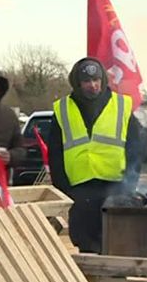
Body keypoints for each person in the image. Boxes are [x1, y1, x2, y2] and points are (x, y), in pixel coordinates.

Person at [48, 57, 141, 253]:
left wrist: (129, 185)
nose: (93, 85)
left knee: (116, 244)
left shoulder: (122, 106)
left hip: (115, 188)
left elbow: (135, 149)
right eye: (87, 81)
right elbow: (55, 153)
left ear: (103, 80)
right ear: (77, 84)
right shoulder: (62, 109)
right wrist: (63, 188)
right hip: (79, 190)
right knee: (86, 246)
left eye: (96, 80)